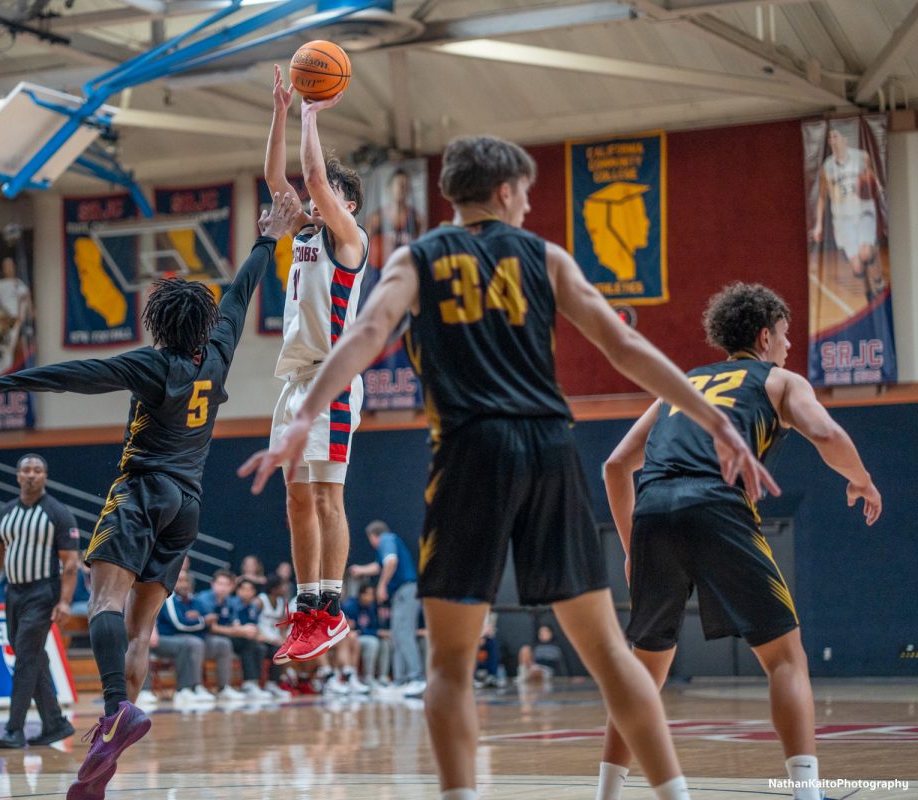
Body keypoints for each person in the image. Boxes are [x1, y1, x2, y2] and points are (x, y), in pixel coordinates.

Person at [241, 134, 781, 800]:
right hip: (547, 453)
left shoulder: (418, 257)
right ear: (504, 191)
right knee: (612, 654)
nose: (528, 203)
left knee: (449, 665)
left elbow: (366, 336)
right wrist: (714, 416)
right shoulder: (545, 256)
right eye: (526, 191)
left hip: (468, 457)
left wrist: (303, 417)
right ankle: (674, 795)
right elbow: (623, 344)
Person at [0, 191, 301, 800]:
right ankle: (104, 762)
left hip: (141, 491)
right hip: (188, 506)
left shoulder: (152, 366)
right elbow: (241, 293)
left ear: (158, 324)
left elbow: (78, 375)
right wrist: (268, 238)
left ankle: (113, 710)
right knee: (139, 631)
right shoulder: (219, 352)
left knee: (104, 601)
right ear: (203, 326)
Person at [595, 282, 882, 800]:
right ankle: (807, 793)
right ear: (765, 335)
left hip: (655, 512)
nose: (790, 346)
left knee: (645, 671)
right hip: (716, 504)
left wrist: (632, 547)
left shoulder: (678, 386)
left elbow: (615, 466)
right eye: (787, 336)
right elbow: (828, 435)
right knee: (786, 660)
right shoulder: (778, 380)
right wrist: (860, 479)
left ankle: (606, 793)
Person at [264, 66, 368, 663]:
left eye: (324, 191)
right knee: (296, 498)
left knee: (328, 498)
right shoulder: (304, 229)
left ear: (345, 203)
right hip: (295, 381)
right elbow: (280, 175)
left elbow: (305, 174)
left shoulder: (348, 239)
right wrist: (282, 110)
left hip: (331, 381)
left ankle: (331, 607)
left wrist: (310, 113)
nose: (308, 197)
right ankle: (306, 607)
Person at [0, 454, 78, 750]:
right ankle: (55, 722)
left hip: (44, 593)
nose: (32, 475)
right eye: (27, 470)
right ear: (17, 475)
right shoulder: (5, 513)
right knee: (31, 657)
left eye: (38, 470)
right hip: (13, 593)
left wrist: (65, 602)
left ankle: (14, 730)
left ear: (45, 476)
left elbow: (70, 564)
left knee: (25, 659)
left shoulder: (58, 513)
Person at [349, 520, 422, 695]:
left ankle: (417, 678)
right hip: (401, 594)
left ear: (374, 536)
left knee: (404, 634)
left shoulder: (387, 539)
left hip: (406, 590)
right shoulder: (389, 543)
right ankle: (400, 680)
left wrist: (382, 585)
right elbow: (378, 566)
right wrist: (360, 570)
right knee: (397, 636)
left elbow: (391, 562)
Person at [811, 126, 884, 298]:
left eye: (835, 136)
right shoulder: (827, 166)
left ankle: (878, 276)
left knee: (865, 253)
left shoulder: (861, 157)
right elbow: (822, 196)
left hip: (863, 211)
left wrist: (875, 187)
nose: (832, 141)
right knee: (858, 267)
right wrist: (819, 225)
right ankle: (868, 289)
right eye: (830, 138)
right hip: (842, 219)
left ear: (845, 139)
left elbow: (873, 179)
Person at [196, 571, 267, 700]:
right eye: (220, 584)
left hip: (222, 636)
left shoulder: (229, 601)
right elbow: (212, 628)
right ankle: (223, 687)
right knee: (227, 643)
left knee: (253, 644)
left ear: (231, 587)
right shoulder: (204, 599)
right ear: (212, 584)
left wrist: (245, 629)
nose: (223, 588)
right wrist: (239, 631)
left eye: (226, 584)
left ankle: (250, 684)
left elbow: (234, 623)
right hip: (204, 636)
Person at [154, 570, 216, 708]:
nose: (184, 584)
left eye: (186, 581)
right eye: (180, 580)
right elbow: (179, 623)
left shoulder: (195, 599)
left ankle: (207, 687)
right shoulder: (168, 598)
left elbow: (211, 617)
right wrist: (202, 621)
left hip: (183, 636)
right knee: (192, 643)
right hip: (164, 638)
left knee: (218, 643)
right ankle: (188, 687)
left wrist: (200, 619)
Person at [343, 583, 389, 686]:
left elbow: (374, 627)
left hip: (365, 635)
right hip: (353, 637)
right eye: (368, 594)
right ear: (361, 594)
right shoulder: (350, 605)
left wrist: (376, 632)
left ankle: (383, 677)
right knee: (372, 642)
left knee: (384, 642)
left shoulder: (372, 607)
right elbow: (352, 628)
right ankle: (368, 677)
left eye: (373, 595)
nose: (371, 597)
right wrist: (376, 632)